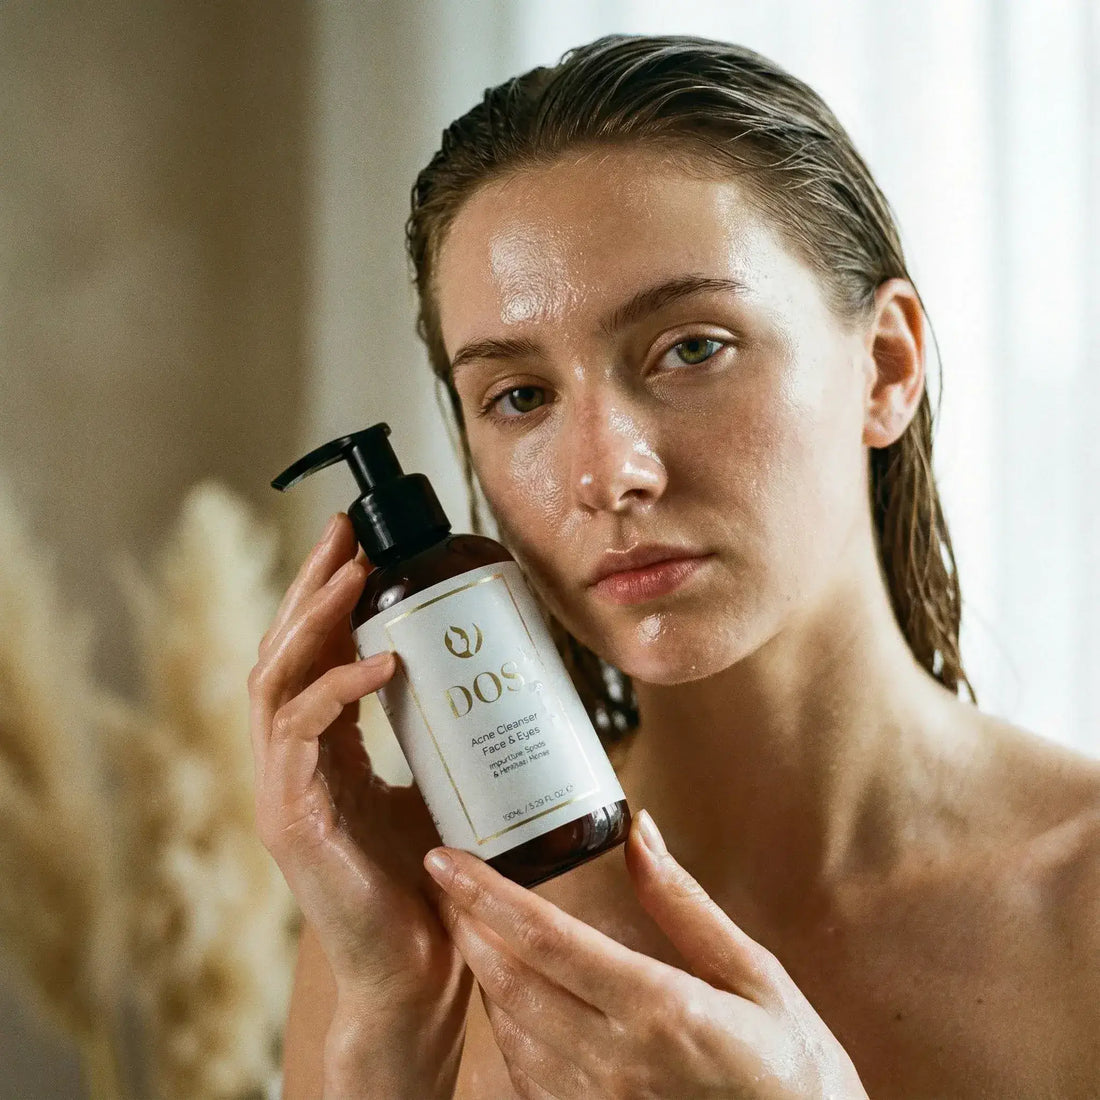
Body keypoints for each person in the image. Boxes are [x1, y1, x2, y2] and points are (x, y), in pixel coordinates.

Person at [247, 34, 1100, 1099]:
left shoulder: (1080, 904)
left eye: (691, 346)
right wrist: (385, 1038)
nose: (608, 473)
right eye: (519, 396)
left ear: (884, 365)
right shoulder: (411, 930)